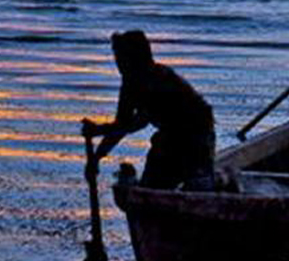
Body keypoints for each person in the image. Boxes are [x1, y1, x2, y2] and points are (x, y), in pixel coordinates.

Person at [80, 30, 215, 190]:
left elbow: (131, 124)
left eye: (122, 57)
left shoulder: (159, 79)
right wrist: (96, 157)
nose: (118, 63)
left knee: (182, 177)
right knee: (156, 177)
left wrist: (99, 130)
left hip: (195, 135)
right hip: (173, 137)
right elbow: (124, 124)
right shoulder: (130, 82)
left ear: (137, 57)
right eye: (117, 57)